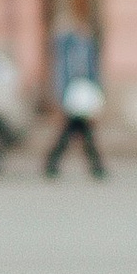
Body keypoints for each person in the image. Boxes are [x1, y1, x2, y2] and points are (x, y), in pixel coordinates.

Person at [44, 15, 107, 178]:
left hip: (83, 95)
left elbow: (94, 73)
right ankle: (96, 167)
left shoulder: (87, 47)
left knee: (75, 132)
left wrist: (97, 95)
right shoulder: (66, 48)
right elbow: (62, 74)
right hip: (72, 95)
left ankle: (53, 164)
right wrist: (60, 97)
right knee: (77, 132)